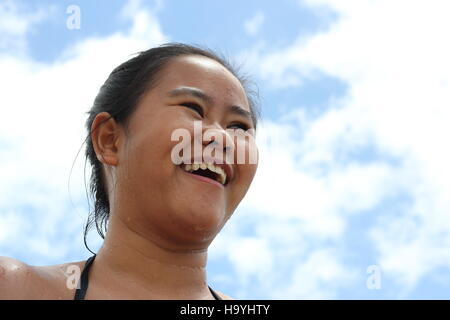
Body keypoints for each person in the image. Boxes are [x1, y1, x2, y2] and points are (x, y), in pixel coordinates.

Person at [0, 43, 260, 300]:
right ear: (109, 139)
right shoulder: (14, 289)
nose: (222, 137)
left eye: (239, 126)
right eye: (193, 108)